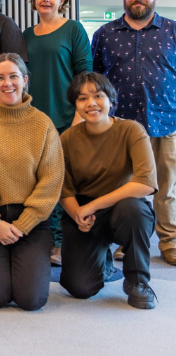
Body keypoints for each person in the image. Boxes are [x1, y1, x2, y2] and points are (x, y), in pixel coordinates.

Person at [0, 53, 64, 311]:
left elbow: (51, 179)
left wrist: (24, 223)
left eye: (13, 76)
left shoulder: (43, 124)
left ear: (25, 80)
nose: (8, 83)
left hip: (31, 220)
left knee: (32, 300)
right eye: (0, 78)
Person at [91, 0, 176, 267]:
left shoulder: (172, 31)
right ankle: (128, 242)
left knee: (166, 188)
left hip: (166, 120)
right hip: (121, 126)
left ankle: (170, 242)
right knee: (125, 187)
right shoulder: (105, 33)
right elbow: (97, 79)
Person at [59, 72, 158, 309]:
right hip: (86, 212)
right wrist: (77, 215)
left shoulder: (132, 130)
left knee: (133, 210)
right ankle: (104, 262)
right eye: (82, 98)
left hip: (124, 209)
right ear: (76, 105)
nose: (91, 103)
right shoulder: (67, 139)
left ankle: (138, 282)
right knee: (80, 288)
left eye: (98, 95)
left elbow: (145, 183)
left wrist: (94, 205)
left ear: (111, 99)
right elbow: (64, 191)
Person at [23, 0, 92, 266]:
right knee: (39, 183)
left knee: (64, 183)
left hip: (66, 117)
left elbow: (84, 73)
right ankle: (46, 240)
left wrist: (79, 115)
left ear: (62, 0)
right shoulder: (26, 34)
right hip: (34, 120)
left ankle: (63, 243)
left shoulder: (73, 29)